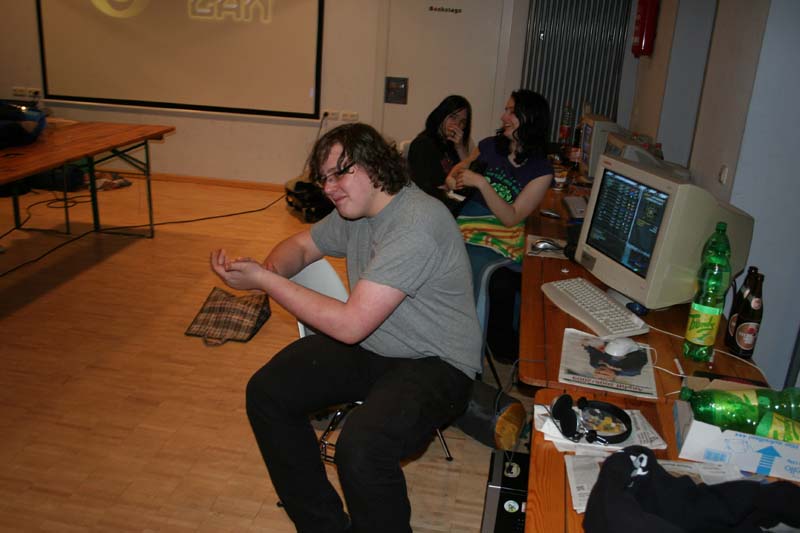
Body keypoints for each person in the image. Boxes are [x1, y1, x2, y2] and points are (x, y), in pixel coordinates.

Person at [210, 123, 482, 533]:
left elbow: (351, 325)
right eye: (324, 179)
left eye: (339, 173)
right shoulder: (356, 212)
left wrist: (265, 282)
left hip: (439, 363)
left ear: (375, 164)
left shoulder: (416, 223)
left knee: (362, 447)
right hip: (379, 344)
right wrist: (268, 271)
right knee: (268, 392)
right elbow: (302, 246)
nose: (329, 188)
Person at [446, 89, 554, 361]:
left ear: (530, 118)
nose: (503, 117)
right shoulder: (489, 146)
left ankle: (488, 345)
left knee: (497, 281)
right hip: (469, 224)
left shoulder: (541, 170)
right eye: (506, 110)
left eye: (511, 112)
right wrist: (455, 181)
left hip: (504, 234)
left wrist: (482, 184)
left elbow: (512, 217)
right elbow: (455, 174)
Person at [407, 95, 473, 215]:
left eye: (462, 122)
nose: (457, 125)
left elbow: (469, 178)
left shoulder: (453, 145)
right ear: (441, 115)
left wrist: (460, 148)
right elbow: (423, 187)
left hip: (452, 203)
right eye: (453, 117)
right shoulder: (423, 144)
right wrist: (449, 186)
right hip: (431, 208)